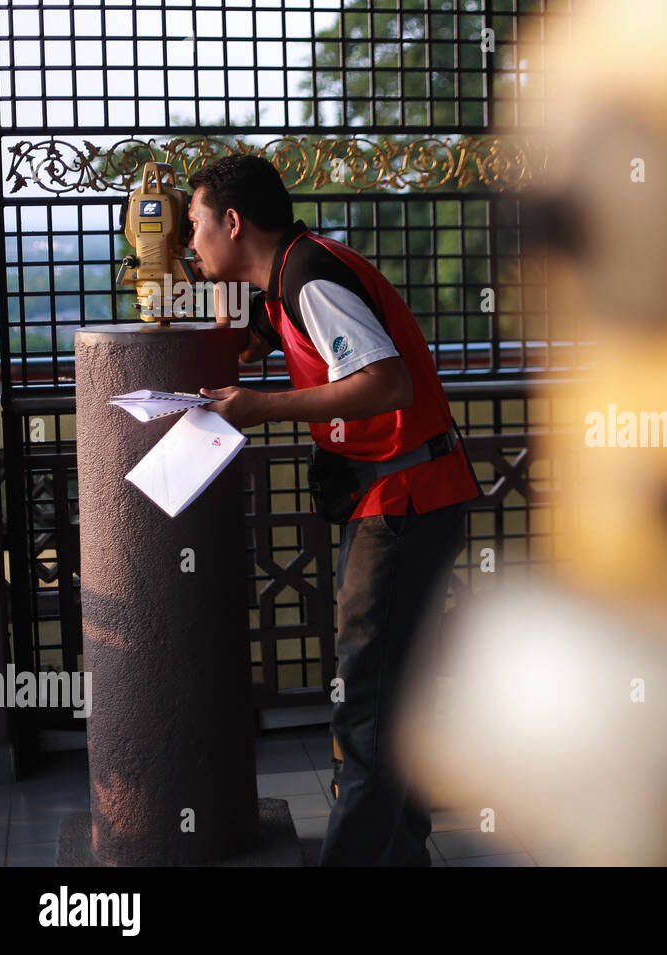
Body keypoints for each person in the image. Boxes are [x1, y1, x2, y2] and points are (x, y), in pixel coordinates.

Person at [186, 154, 479, 866]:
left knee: (367, 705)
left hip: (403, 501)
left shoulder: (309, 278)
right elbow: (241, 343)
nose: (190, 248)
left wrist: (262, 407)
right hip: (404, 498)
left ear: (232, 222)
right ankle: (402, 856)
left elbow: (386, 384)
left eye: (194, 229)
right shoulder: (285, 280)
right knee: (393, 700)